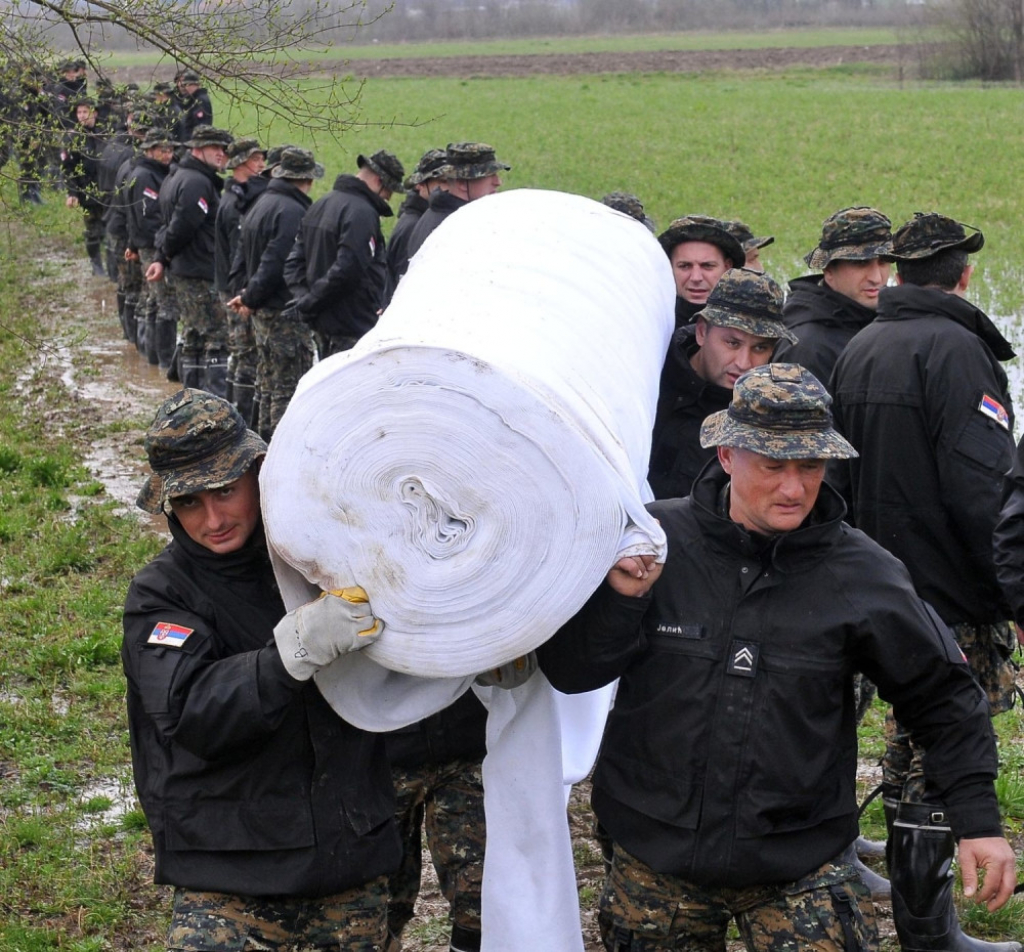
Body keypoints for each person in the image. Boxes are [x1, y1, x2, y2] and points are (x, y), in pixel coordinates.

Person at [537, 363, 1019, 952]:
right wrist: (619, 601)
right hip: (654, 853)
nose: (793, 489)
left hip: (800, 862)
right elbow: (572, 672)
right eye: (772, 467)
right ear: (727, 458)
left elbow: (943, 697)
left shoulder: (862, 574)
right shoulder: (653, 544)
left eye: (810, 467)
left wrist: (978, 825)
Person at [122, 388, 402, 951]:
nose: (213, 518)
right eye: (189, 503)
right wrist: (289, 654)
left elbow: (401, 653)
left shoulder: (325, 557)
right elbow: (191, 712)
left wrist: (473, 664)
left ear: (260, 472)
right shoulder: (162, 595)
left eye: (225, 491)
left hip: (347, 859)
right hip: (228, 873)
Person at [831, 212, 1021, 952]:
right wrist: (1010, 593)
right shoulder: (959, 352)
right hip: (950, 597)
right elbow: (986, 492)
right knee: (948, 746)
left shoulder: (863, 346)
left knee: (911, 750)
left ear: (900, 274)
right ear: (964, 277)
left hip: (882, 586)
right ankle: (929, 933)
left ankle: (921, 918)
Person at [648, 267, 795, 500]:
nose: (744, 362)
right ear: (702, 332)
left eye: (760, 348)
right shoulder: (650, 375)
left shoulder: (772, 411)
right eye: (732, 343)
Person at [227, 146, 322, 439]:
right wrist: (251, 296)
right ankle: (279, 455)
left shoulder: (263, 201)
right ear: (305, 179)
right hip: (282, 312)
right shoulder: (292, 210)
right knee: (286, 390)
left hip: (261, 311)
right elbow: (275, 262)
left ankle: (262, 449)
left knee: (266, 387)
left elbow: (243, 255)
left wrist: (245, 295)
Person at [283, 148, 405, 357]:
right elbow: (348, 269)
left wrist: (306, 301)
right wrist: (310, 302)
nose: (389, 198)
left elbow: (293, 263)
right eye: (389, 191)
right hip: (352, 325)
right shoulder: (363, 213)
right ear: (378, 180)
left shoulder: (321, 204)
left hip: (322, 324)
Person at [147, 124, 234, 395]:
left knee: (194, 335)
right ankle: (214, 404)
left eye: (224, 149)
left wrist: (163, 257)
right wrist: (164, 255)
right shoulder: (196, 182)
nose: (222, 154)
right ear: (198, 149)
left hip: (187, 268)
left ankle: (192, 397)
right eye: (215, 148)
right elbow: (182, 225)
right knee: (216, 336)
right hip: (198, 269)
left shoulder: (178, 175)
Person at [774, 206, 894, 390]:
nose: (876, 277)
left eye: (884, 261)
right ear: (829, 270)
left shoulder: (877, 321)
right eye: (860, 263)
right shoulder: (808, 348)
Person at [214, 136, 266, 422]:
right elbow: (238, 254)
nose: (262, 164)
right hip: (234, 291)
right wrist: (243, 293)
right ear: (242, 163)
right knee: (245, 355)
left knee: (239, 353)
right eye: (257, 158)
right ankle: (241, 421)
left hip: (229, 287)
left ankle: (231, 411)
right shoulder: (235, 204)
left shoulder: (233, 196)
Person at [403, 141, 510, 266]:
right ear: (462, 183)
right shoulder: (452, 228)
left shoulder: (438, 215)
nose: (498, 182)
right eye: (490, 175)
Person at [126, 128, 177, 369]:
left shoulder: (157, 173)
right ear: (149, 151)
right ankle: (161, 358)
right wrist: (160, 246)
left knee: (153, 298)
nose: (167, 155)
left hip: (149, 244)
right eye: (162, 150)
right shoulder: (145, 175)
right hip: (150, 245)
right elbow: (146, 217)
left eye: (170, 150)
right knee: (161, 300)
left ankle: (150, 353)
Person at [656, 214, 745, 329]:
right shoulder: (652, 320)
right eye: (685, 266)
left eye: (707, 266)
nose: (696, 277)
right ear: (669, 268)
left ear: (727, 268)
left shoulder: (751, 320)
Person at [384, 146, 446, 303]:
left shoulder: (417, 217)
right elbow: (404, 282)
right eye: (442, 181)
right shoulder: (414, 225)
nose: (447, 187)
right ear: (419, 184)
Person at [61, 96, 109, 275]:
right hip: (86, 191)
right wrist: (72, 193)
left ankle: (111, 264)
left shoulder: (103, 134)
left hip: (106, 189)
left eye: (85, 112)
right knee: (93, 230)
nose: (81, 116)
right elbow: (67, 170)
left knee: (109, 228)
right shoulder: (73, 139)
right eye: (79, 112)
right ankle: (96, 264)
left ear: (94, 113)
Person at [174, 70, 213, 143]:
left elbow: (200, 125)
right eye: (185, 85)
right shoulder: (192, 99)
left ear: (196, 85)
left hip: (196, 141)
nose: (186, 88)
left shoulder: (201, 100)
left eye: (189, 85)